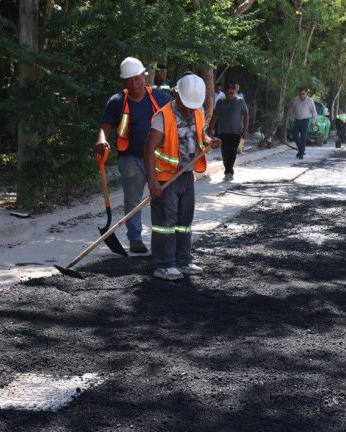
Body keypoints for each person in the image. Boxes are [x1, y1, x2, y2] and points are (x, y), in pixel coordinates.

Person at [143, 74, 221, 281]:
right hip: (165, 178)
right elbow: (148, 149)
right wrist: (152, 181)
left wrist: (209, 140)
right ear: (177, 95)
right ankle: (164, 265)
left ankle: (183, 260)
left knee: (184, 221)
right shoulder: (162, 117)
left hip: (186, 175)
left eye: (193, 106)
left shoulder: (198, 111)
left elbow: (200, 133)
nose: (189, 110)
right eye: (186, 106)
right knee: (165, 223)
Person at [96, 57, 171, 255]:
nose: (134, 83)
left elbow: (175, 121)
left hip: (158, 157)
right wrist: (102, 140)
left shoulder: (160, 98)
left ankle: (162, 239)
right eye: (129, 80)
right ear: (123, 81)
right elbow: (105, 125)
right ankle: (135, 238)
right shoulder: (117, 101)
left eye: (137, 78)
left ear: (144, 76)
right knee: (133, 199)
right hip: (131, 158)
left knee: (161, 198)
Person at [208, 83, 249, 180]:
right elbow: (215, 115)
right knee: (225, 153)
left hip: (236, 132)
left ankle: (228, 171)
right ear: (224, 93)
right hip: (223, 132)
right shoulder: (220, 102)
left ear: (235, 92)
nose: (230, 95)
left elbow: (246, 115)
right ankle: (228, 170)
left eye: (232, 93)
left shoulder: (240, 102)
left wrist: (245, 130)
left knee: (232, 152)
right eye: (227, 93)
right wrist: (210, 128)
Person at [288, 87, 317, 159]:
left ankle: (301, 153)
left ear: (306, 93)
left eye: (303, 94)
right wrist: (291, 118)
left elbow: (314, 111)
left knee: (303, 137)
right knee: (294, 136)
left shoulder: (309, 100)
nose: (302, 95)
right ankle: (301, 150)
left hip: (305, 120)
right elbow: (291, 110)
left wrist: (313, 122)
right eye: (300, 94)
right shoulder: (295, 99)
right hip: (297, 120)